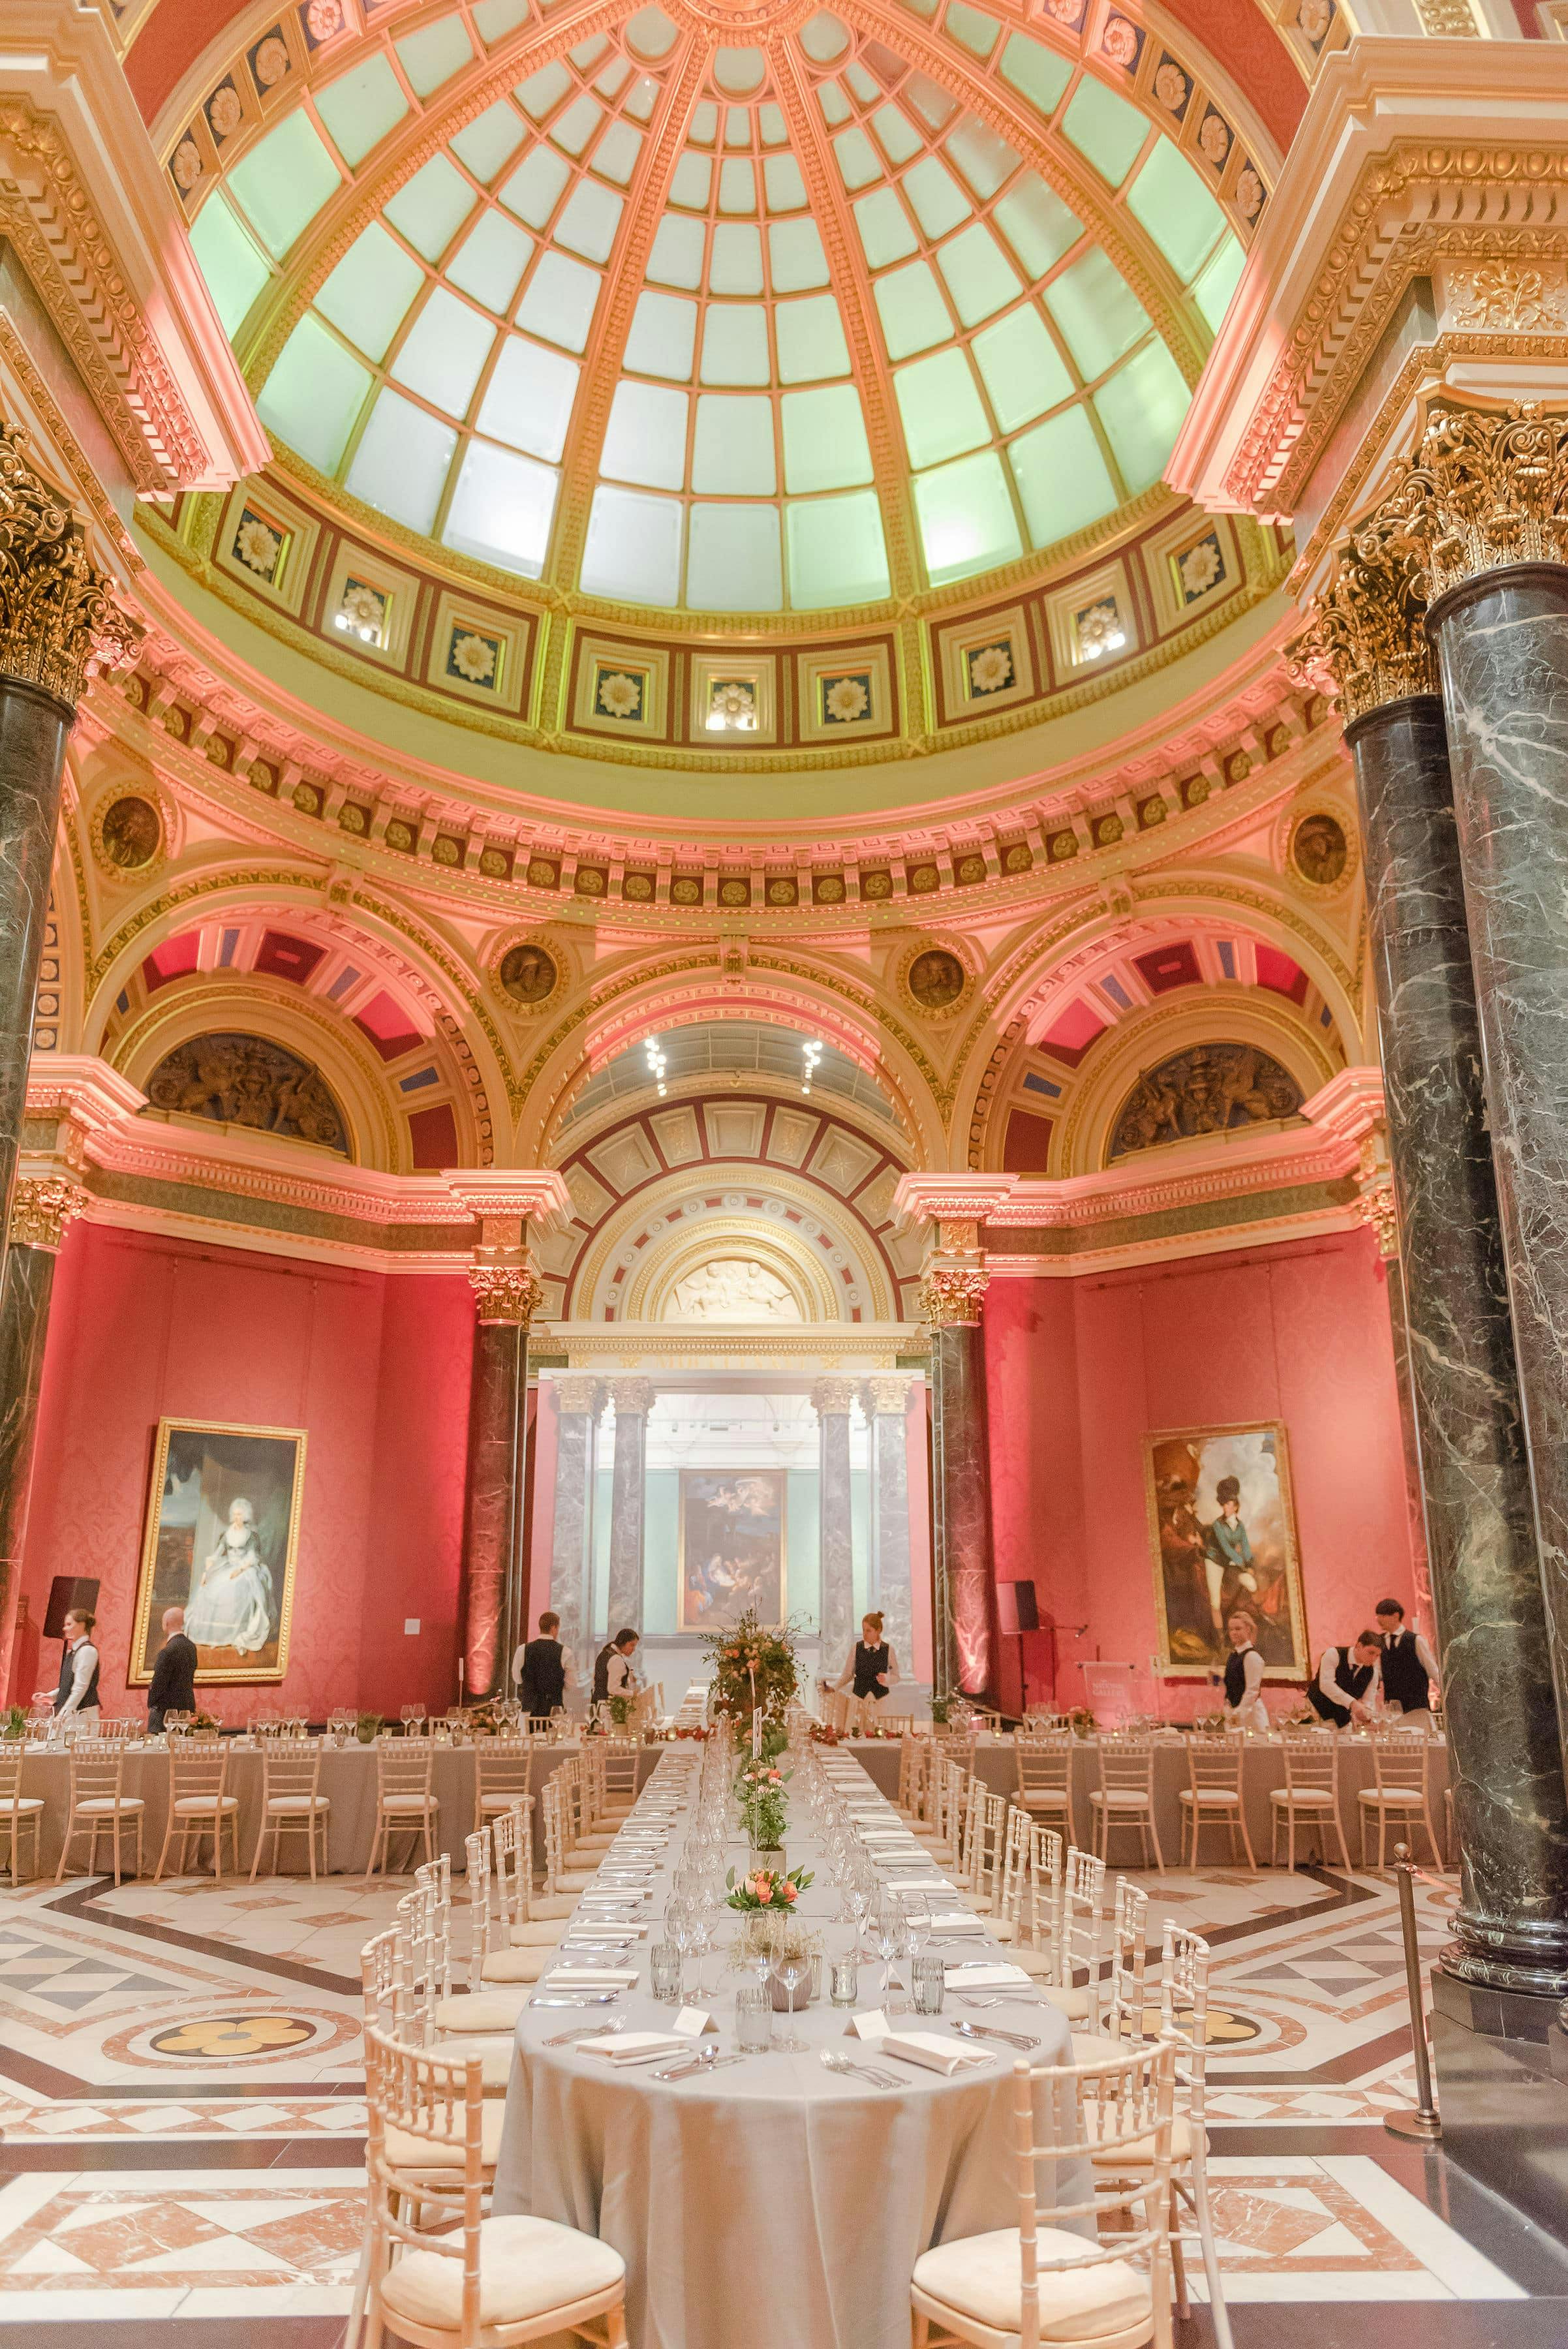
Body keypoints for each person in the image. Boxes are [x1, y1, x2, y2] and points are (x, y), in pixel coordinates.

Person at [186, 1496, 273, 1653]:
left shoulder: (251, 1535)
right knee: (212, 1587)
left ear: (246, 1516)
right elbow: (218, 1554)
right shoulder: (227, 1534)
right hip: (228, 1566)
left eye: (240, 1514)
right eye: (235, 1514)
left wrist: (240, 1570)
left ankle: (234, 1632)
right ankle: (215, 1634)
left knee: (236, 1586)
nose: (237, 1517)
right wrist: (207, 1573)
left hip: (247, 1568)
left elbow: (253, 1557)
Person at [1203, 1477, 1256, 1638]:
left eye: (1230, 1504)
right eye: (1224, 1504)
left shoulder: (1240, 1526)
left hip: (1230, 1562)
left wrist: (1250, 1563)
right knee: (1215, 1601)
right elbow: (1226, 1548)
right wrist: (1242, 1565)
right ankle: (1220, 1638)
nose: (1226, 1507)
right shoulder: (1217, 1525)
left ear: (1236, 1506)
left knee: (1251, 1586)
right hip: (1214, 1561)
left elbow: (1245, 1546)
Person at [1376, 1599, 1439, 1718]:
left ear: (1396, 1616)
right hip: (1392, 1709)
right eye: (1378, 1616)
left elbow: (1433, 1671)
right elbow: (1377, 1672)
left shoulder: (1416, 1640)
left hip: (1417, 1706)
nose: (1378, 1619)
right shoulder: (1379, 1641)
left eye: (1383, 1615)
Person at [1308, 1630, 1382, 1728]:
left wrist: (1366, 1716)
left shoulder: (1373, 1672)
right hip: (1317, 1712)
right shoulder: (1333, 1654)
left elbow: (1369, 1701)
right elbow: (1326, 1685)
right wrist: (1353, 1703)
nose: (1374, 1659)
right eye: (1371, 1653)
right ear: (1359, 1646)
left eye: (1377, 1655)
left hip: (1343, 1719)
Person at [514, 1611, 576, 1724]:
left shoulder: (522, 1649)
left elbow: (517, 1679)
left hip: (529, 1710)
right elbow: (571, 1685)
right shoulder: (565, 1652)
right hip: (555, 1713)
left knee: (528, 1741)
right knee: (555, 1741)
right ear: (553, 1628)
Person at [146, 1606, 198, 1732]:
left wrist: (151, 1703)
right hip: (187, 1708)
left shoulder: (167, 1651)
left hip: (167, 1713)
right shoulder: (191, 1647)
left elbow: (159, 1683)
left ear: (166, 1623)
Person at [833, 1610, 900, 1704]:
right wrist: (834, 1688)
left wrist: (887, 1678)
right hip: (858, 1700)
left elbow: (896, 1676)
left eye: (869, 1631)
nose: (864, 1634)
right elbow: (848, 1674)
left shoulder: (889, 1650)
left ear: (879, 1630)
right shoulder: (856, 1648)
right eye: (863, 1630)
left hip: (880, 1702)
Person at [52, 1608, 102, 1728]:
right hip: (72, 1716)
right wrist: (51, 1695)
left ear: (82, 1625)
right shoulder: (74, 1651)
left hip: (82, 1718)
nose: (65, 1628)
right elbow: (70, 1685)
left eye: (69, 1624)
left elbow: (81, 1687)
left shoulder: (87, 1651)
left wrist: (63, 1714)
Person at [1220, 1610, 1268, 1733]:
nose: (1234, 1633)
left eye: (1238, 1629)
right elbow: (1231, 1683)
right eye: (1231, 1629)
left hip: (1251, 1717)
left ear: (1248, 1630)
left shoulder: (1252, 1656)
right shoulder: (1233, 1656)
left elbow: (1252, 1691)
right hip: (1235, 1715)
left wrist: (1238, 1715)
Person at [592, 1627, 640, 1706]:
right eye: (632, 1645)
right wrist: (632, 1693)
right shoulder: (616, 1659)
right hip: (608, 1708)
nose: (634, 1649)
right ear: (623, 1642)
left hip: (597, 1704)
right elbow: (613, 1689)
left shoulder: (606, 1652)